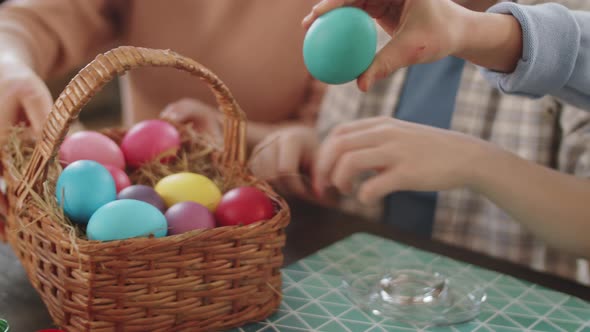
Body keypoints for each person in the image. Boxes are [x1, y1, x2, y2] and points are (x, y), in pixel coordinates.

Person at [250, 0, 590, 284]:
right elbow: (348, 145)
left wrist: (475, 162)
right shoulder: (376, 19)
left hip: (505, 300)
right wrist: (309, 146)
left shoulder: (567, 36)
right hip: (361, 286)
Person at [0, 0, 326, 236]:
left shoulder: (340, 11)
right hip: (137, 199)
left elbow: (322, 130)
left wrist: (236, 134)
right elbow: (33, 20)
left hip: (275, 227)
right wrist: (8, 63)